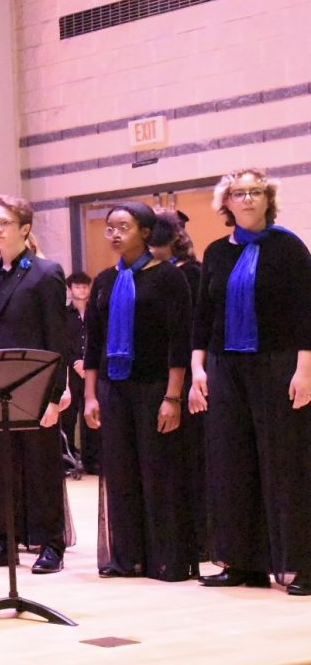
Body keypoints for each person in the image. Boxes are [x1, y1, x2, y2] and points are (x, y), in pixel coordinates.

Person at [190, 168, 311, 596]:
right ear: (226, 203)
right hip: (226, 365)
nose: (246, 199)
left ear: (267, 199)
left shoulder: (289, 248)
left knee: (284, 464)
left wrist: (304, 370)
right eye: (238, 193)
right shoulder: (216, 252)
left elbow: (305, 312)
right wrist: (197, 370)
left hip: (277, 363)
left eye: (255, 192)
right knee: (232, 462)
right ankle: (242, 562)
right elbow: (204, 317)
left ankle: (301, 564)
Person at [83, 202, 197, 581]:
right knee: (120, 473)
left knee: (158, 471)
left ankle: (166, 559)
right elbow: (92, 345)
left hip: (154, 388)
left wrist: (173, 396)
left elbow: (179, 341)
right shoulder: (103, 281)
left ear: (145, 233)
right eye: (110, 227)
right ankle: (127, 557)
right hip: (113, 388)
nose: (114, 234)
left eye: (124, 227)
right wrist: (90, 395)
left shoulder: (168, 277)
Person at [0, 195, 71, 575]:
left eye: (4, 223)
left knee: (42, 464)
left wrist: (56, 395)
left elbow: (57, 340)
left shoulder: (46, 272)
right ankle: (4, 540)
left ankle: (51, 542)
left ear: (25, 228)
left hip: (36, 385)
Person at [150, 209, 205, 557]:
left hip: (184, 375)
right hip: (154, 375)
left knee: (188, 459)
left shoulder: (191, 275)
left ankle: (195, 538)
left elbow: (192, 331)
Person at [60, 271, 99, 474]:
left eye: (85, 287)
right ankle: (67, 459)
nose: (81, 290)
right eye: (77, 287)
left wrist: (89, 363)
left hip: (92, 371)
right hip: (72, 371)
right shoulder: (64, 315)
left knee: (91, 413)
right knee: (69, 414)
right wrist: (75, 360)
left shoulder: (95, 312)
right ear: (70, 289)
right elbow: (63, 342)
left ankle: (92, 459)